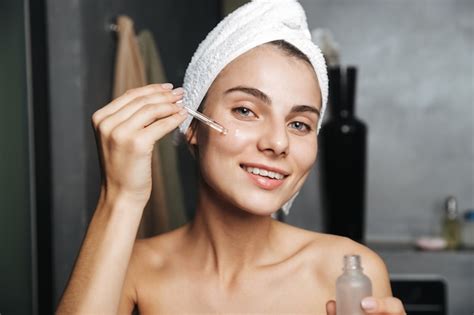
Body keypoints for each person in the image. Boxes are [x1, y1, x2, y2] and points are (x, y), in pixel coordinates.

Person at [57, 1, 406, 314]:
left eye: (299, 124)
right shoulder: (133, 270)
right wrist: (120, 197)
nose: (278, 142)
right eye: (245, 110)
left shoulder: (348, 272)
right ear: (192, 126)